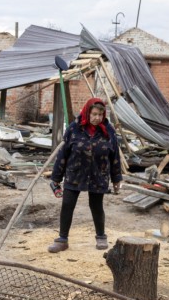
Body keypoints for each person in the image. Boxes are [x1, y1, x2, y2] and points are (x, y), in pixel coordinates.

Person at [48, 97, 122, 253]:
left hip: (98, 174)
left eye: (100, 115)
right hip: (75, 172)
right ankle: (62, 239)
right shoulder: (74, 128)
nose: (97, 118)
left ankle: (101, 236)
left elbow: (114, 156)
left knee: (96, 206)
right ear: (87, 112)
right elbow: (63, 154)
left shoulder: (108, 131)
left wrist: (117, 179)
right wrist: (55, 178)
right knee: (67, 204)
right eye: (94, 114)